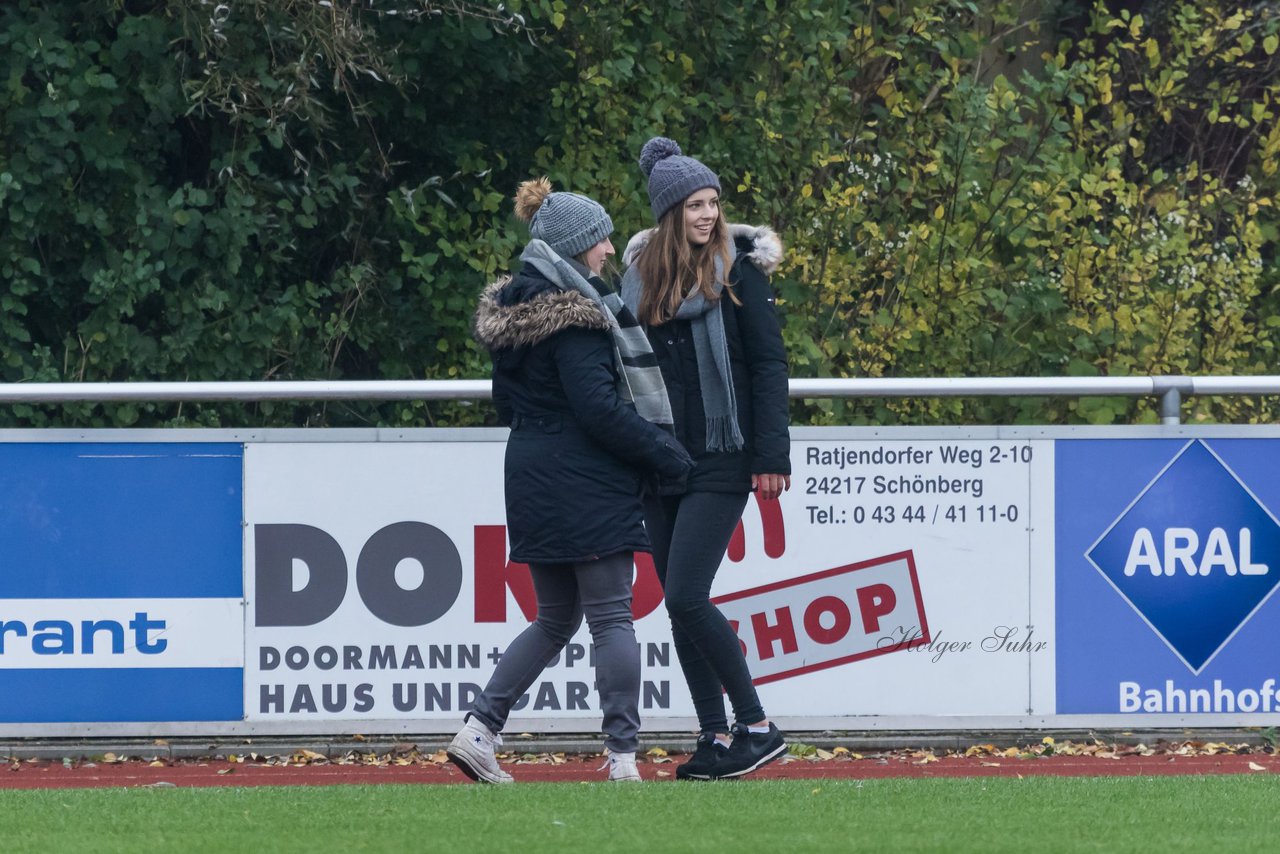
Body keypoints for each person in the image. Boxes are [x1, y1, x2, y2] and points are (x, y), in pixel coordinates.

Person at [447, 177, 693, 784]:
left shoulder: (513, 314)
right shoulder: (579, 318)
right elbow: (600, 411)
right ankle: (624, 758)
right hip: (585, 476)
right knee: (612, 617)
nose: (610, 249)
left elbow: (508, 404)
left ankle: (479, 729)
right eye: (601, 239)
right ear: (577, 246)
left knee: (554, 619)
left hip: (530, 470)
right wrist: (668, 455)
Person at [621, 137, 791, 780]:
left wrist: (770, 455)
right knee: (677, 603)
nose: (708, 215)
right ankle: (715, 738)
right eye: (695, 204)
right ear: (670, 213)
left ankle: (757, 726)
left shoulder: (740, 272)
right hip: (661, 459)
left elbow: (770, 366)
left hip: (726, 454)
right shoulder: (639, 280)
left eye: (714, 203)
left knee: (689, 596)